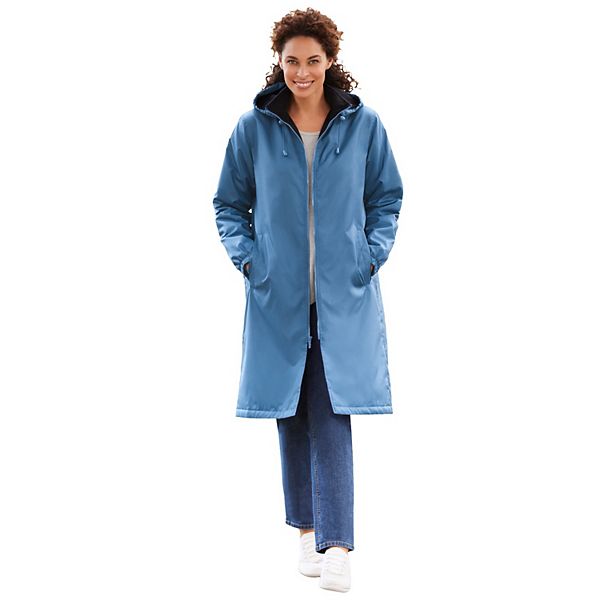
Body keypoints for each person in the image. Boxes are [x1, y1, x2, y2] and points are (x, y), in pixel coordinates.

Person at [213, 8, 403, 593]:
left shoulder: (363, 125)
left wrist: (370, 255)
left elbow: (386, 198)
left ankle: (337, 544)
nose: (301, 72)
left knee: (331, 412)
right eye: (291, 61)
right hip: (280, 296)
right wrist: (251, 260)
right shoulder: (254, 128)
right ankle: (307, 531)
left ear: (330, 61)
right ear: (279, 62)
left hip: (343, 297)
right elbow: (228, 204)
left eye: (312, 61)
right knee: (291, 411)